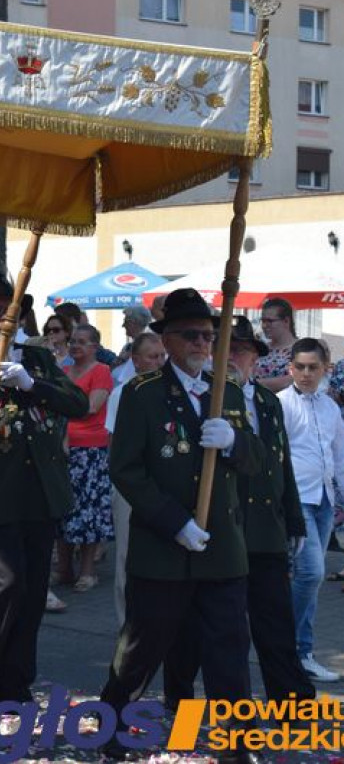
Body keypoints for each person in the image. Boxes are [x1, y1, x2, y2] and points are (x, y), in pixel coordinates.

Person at [98, 288, 261, 763]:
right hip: (165, 547)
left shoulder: (226, 392)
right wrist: (174, 522)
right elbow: (125, 469)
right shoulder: (141, 395)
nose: (201, 344)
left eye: (208, 336)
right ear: (166, 340)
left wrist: (233, 442)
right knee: (139, 651)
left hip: (220, 548)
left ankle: (237, 742)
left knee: (229, 652)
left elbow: (254, 460)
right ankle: (112, 725)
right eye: (190, 335)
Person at [0, 273, 88, 716]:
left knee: (32, 591)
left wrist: (31, 384)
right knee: (3, 585)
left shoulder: (38, 361)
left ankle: (16, 684)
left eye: (9, 311)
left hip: (41, 493)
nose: (1, 321)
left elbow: (77, 405)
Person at [164, 316, 314, 704]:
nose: (232, 356)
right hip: (219, 529)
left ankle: (291, 703)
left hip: (264, 530)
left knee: (275, 623)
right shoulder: (199, 398)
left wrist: (294, 519)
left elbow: (282, 466)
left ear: (256, 359)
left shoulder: (267, 402)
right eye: (224, 348)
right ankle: (180, 699)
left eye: (242, 349)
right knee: (200, 628)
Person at [277, 337, 344, 683]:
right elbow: (276, 458)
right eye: (299, 367)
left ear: (324, 369)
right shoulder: (281, 404)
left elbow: (339, 454)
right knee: (311, 573)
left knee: (309, 578)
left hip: (324, 500)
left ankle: (290, 648)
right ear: (290, 368)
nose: (305, 373)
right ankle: (297, 651)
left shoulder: (331, 408)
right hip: (297, 499)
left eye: (312, 367)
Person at [104, 332, 165, 626]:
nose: (159, 362)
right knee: (127, 557)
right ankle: (127, 624)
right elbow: (115, 445)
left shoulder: (168, 391)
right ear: (136, 360)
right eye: (152, 357)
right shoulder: (123, 392)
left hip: (163, 484)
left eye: (162, 356)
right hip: (131, 486)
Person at [54, 324, 114, 592]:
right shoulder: (65, 372)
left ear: (94, 347)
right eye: (73, 341)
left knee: (89, 512)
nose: (75, 346)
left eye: (82, 342)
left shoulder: (101, 371)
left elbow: (91, 407)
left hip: (91, 449)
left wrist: (63, 405)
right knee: (64, 510)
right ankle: (64, 568)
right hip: (64, 447)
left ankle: (88, 571)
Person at [255, 298, 298, 393]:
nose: (264, 326)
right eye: (263, 321)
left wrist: (254, 384)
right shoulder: (260, 348)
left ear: (286, 321)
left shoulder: (301, 350)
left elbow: (294, 380)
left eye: (269, 321)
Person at [111, 305, 152, 385]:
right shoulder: (128, 347)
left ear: (134, 323)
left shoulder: (149, 345)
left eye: (126, 321)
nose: (123, 325)